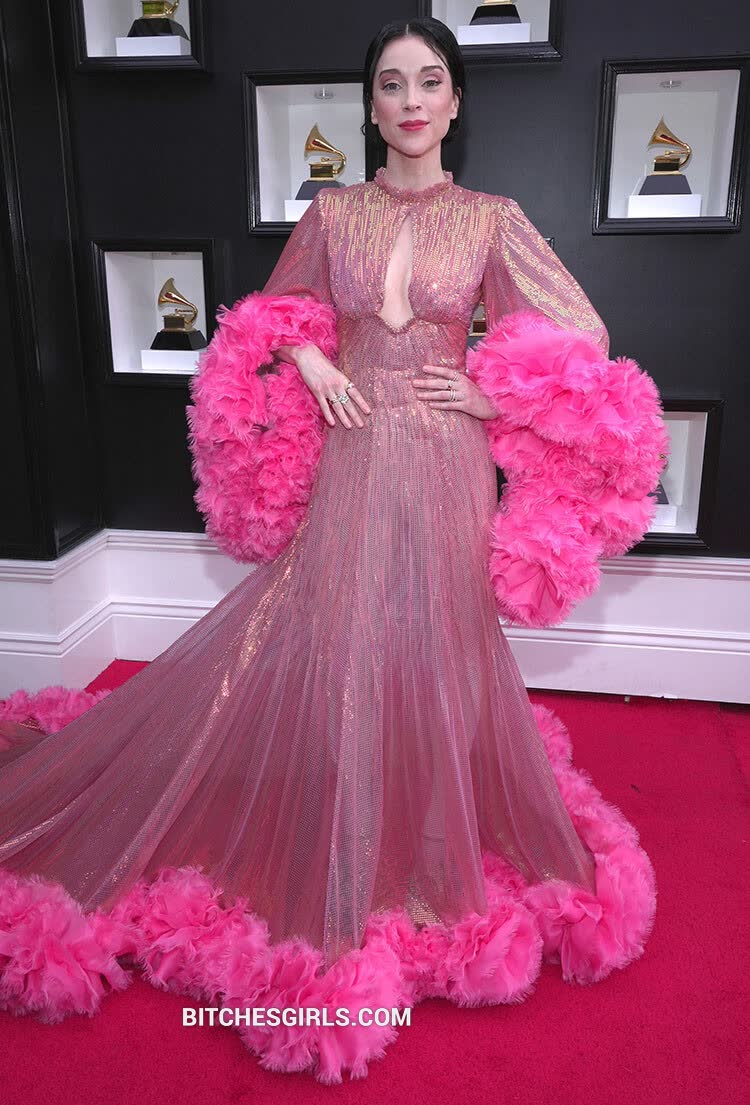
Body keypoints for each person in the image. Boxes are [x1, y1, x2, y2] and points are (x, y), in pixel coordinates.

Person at [0, 16, 665, 1086]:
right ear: (370, 106)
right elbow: (272, 316)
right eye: (392, 84)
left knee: (442, 635)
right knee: (342, 629)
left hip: (446, 459)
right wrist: (309, 359)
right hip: (354, 454)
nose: (411, 101)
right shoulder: (332, 213)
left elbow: (581, 331)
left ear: (455, 101)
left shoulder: (491, 219)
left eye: (430, 82)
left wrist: (491, 390)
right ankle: (344, 838)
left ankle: (420, 838)